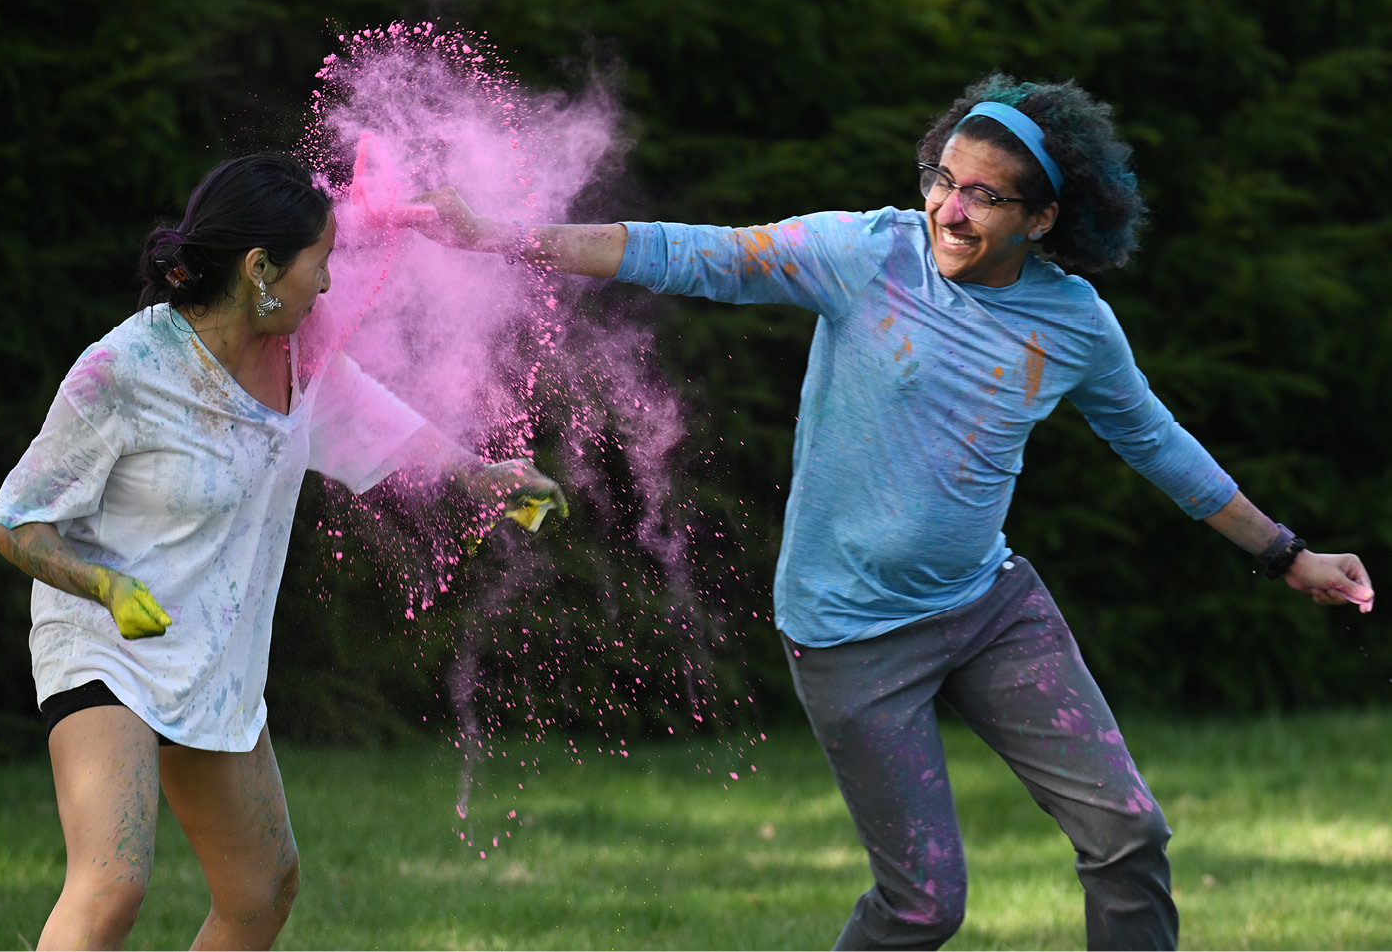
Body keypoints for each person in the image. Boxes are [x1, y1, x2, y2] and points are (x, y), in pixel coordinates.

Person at [410, 72, 1374, 950]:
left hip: (991, 612)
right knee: (921, 907)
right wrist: (501, 238)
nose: (949, 211)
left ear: (1040, 221)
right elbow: (686, 253)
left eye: (984, 195)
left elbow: (1157, 443)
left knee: (1127, 834)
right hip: (850, 639)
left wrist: (1288, 555)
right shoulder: (865, 254)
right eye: (942, 179)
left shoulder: (1074, 321)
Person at [0, 152, 566, 951]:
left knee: (262, 891)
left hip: (216, 657)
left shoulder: (300, 357)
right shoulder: (122, 370)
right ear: (260, 268)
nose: (328, 284)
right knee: (113, 882)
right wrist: (104, 585)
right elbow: (18, 523)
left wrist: (482, 475)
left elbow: (377, 420)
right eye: (317, 264)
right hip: (105, 645)